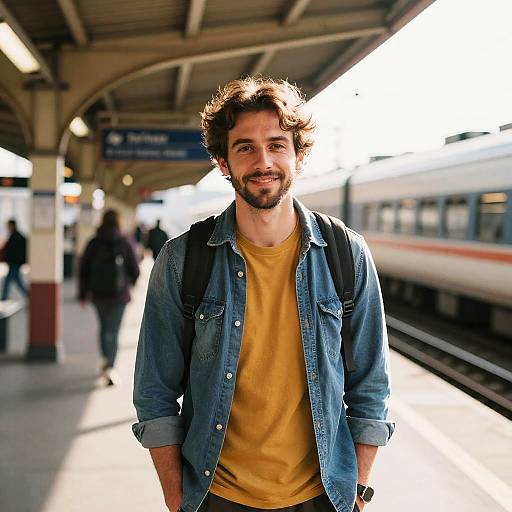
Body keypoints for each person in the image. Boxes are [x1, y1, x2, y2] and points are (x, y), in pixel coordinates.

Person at [133, 77, 394, 512]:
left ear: (298, 154)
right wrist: (177, 499)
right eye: (245, 147)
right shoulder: (182, 260)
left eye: (276, 144)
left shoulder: (347, 254)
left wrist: (358, 492)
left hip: (323, 496)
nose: (263, 161)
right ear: (223, 161)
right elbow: (154, 391)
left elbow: (372, 385)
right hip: (215, 496)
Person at [79, 209, 140, 385]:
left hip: (98, 295)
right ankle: (110, 366)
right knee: (113, 330)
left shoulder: (94, 242)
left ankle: (106, 360)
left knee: (104, 328)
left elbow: (84, 269)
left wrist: (83, 294)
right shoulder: (124, 241)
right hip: (119, 296)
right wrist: (129, 285)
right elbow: (134, 268)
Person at [1, 219, 28, 300]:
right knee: (16, 281)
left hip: (15, 263)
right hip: (14, 262)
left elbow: (14, 251)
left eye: (8, 226)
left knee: (8, 280)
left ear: (12, 225)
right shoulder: (14, 236)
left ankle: (4, 297)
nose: (7, 228)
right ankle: (29, 295)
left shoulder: (17, 237)